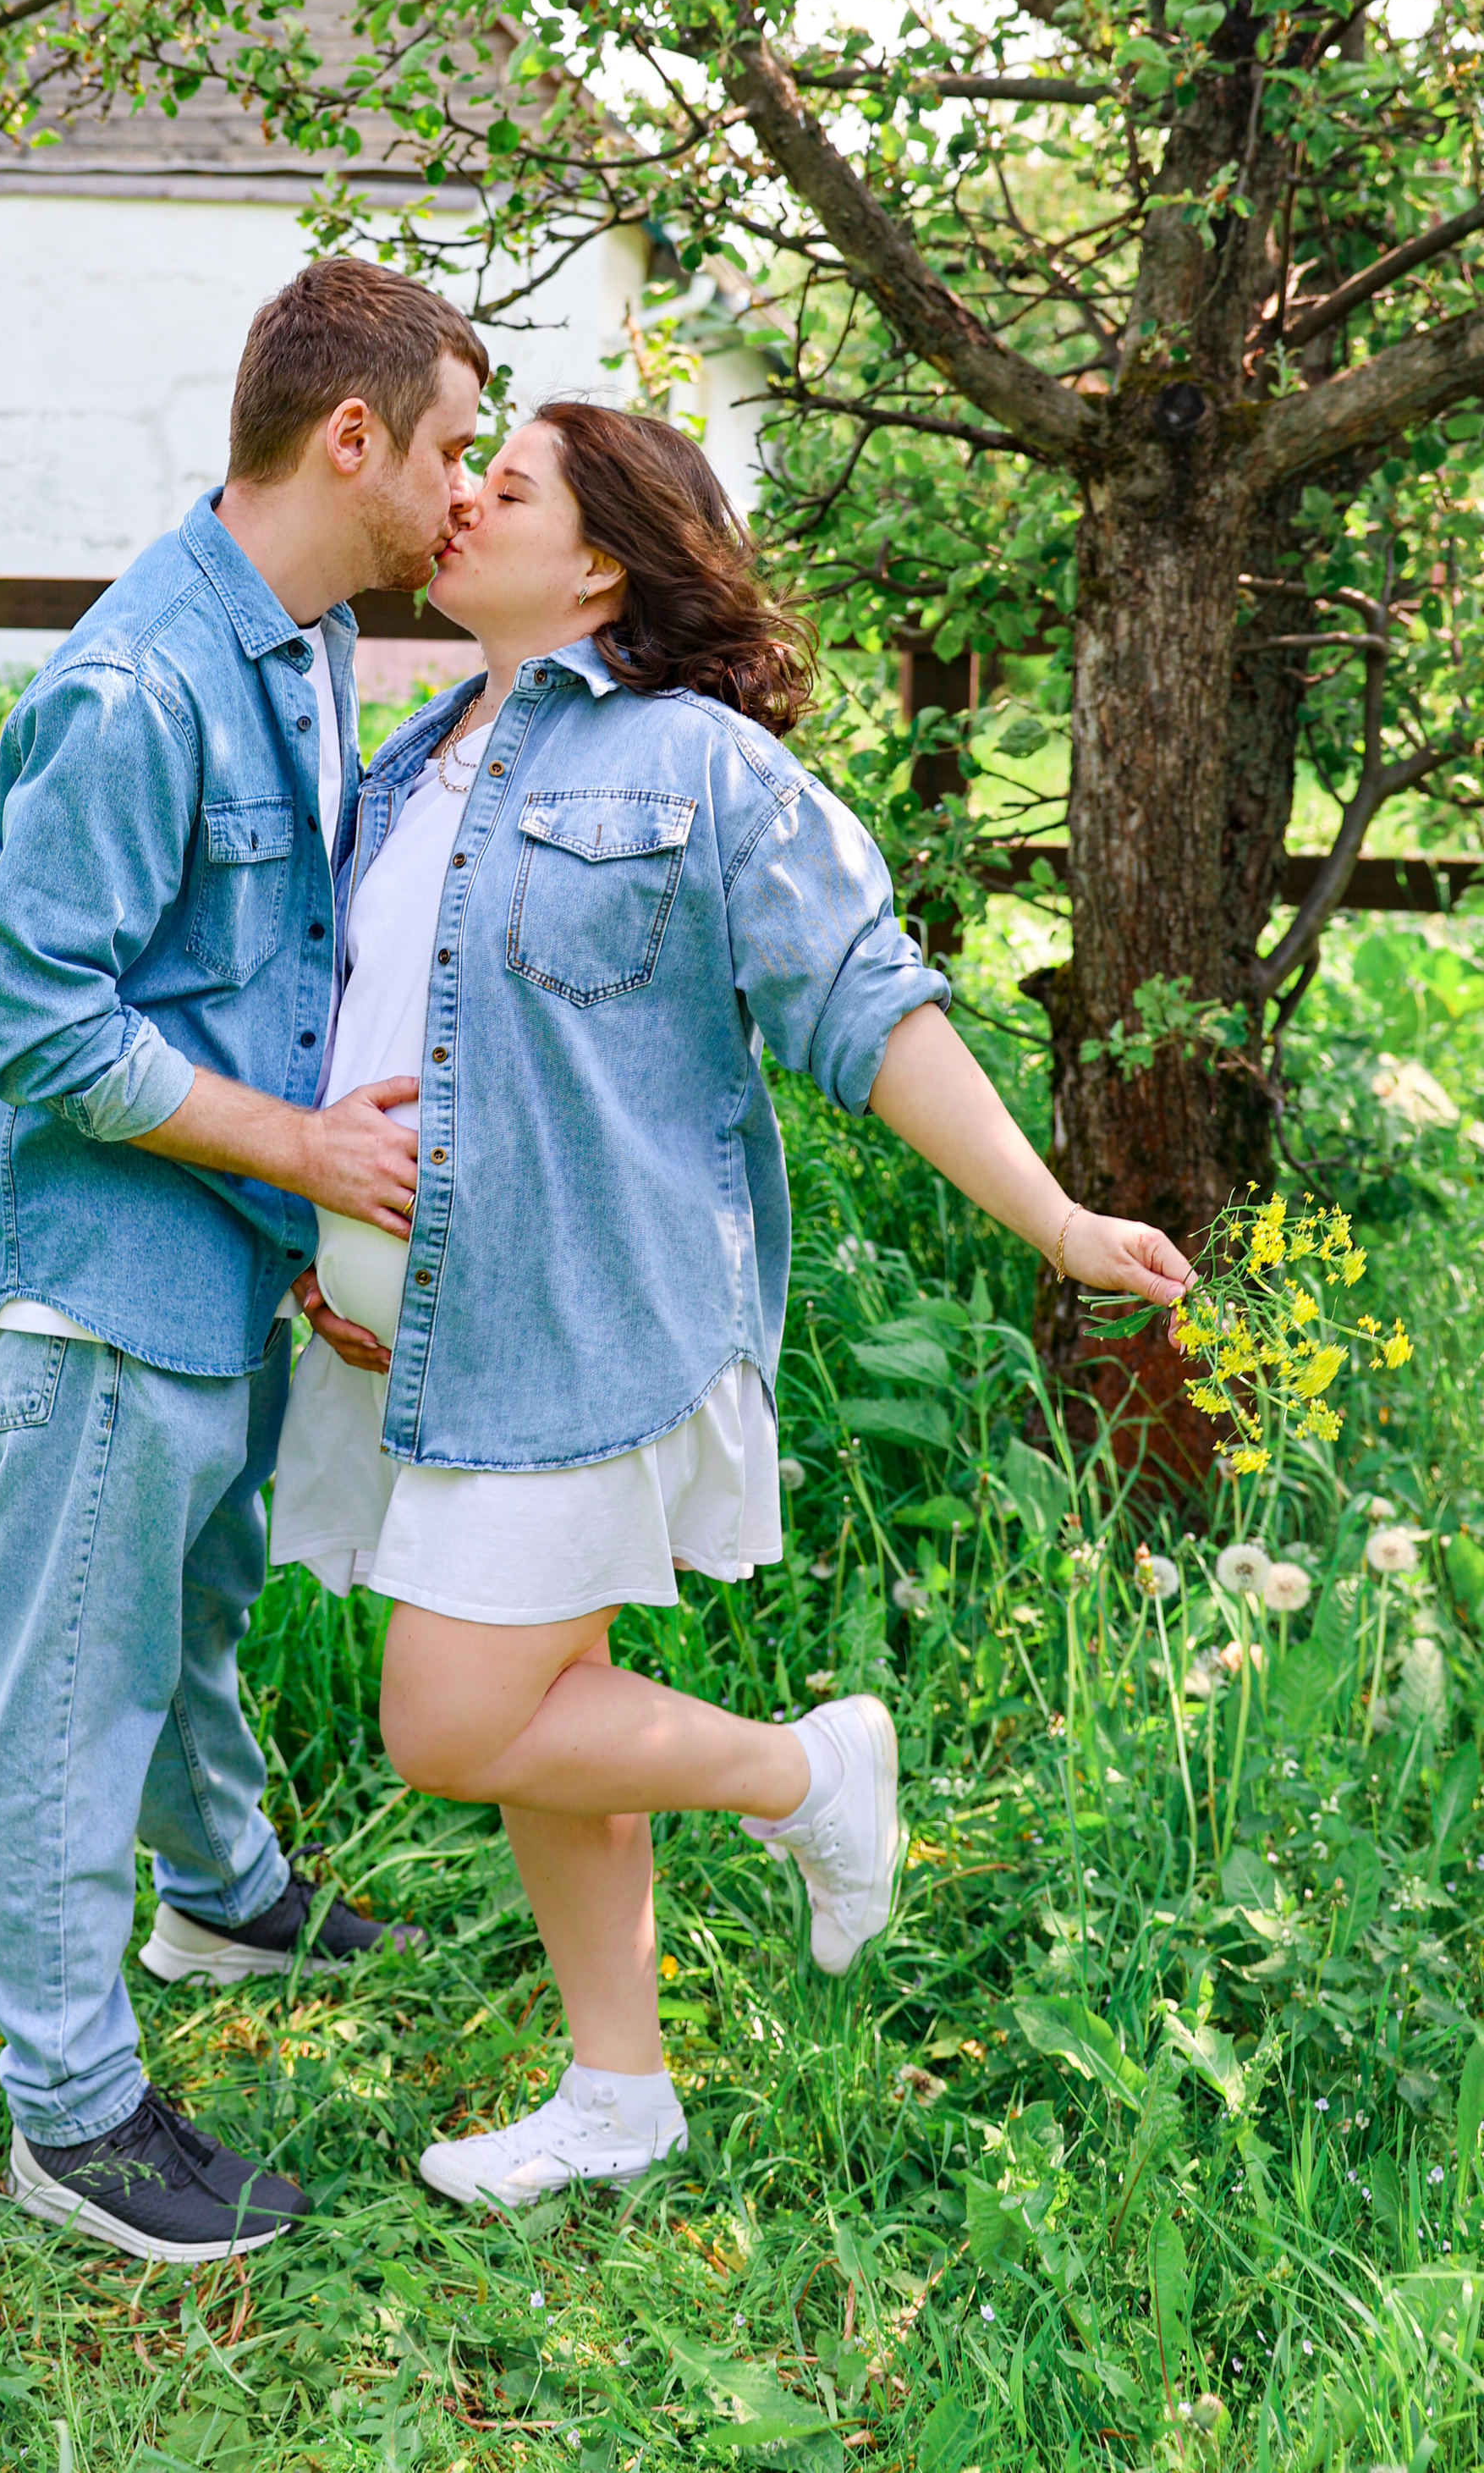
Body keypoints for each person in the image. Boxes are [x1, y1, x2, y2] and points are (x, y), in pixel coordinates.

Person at [268, 401, 1194, 2209]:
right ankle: (619, 2094)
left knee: (445, 1721)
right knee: (561, 1701)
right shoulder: (403, 758)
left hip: (578, 1329)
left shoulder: (698, 769)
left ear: (600, 555)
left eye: (506, 486)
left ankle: (803, 1772)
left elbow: (868, 1010)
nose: (458, 502)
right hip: (409, 1338)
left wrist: (1054, 1218)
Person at [0, 254, 488, 2264]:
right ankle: (68, 2112)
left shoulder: (306, 643)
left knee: (192, 1607)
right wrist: (308, 1150)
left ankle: (219, 1889)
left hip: (222, 1252)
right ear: (353, 438)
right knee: (66, 1685)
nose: (463, 501)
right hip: (100, 1275)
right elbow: (36, 1021)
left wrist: (299, 1212)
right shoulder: (139, 682)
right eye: (450, 456)